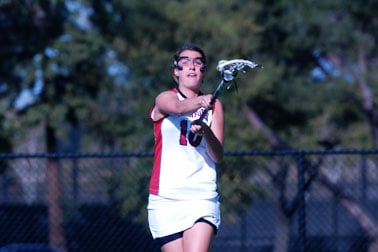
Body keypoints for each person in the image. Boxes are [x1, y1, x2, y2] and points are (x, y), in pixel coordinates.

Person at [147, 43, 224, 252]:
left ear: (203, 71)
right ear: (176, 71)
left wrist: (206, 131)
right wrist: (200, 102)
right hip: (165, 198)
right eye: (185, 62)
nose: (191, 66)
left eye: (197, 62)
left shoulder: (214, 106)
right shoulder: (165, 98)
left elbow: (217, 156)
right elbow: (179, 108)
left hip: (201, 196)